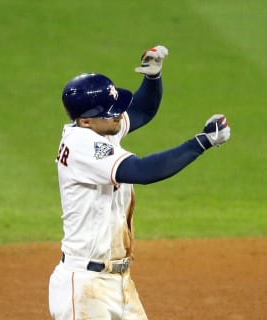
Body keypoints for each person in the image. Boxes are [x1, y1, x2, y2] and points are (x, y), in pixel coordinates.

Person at [48, 45, 231, 320]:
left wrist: (152, 77)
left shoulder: (100, 127)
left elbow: (142, 109)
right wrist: (202, 142)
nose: (118, 115)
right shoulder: (83, 145)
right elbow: (143, 171)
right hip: (85, 285)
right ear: (85, 121)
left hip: (118, 282)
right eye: (110, 111)